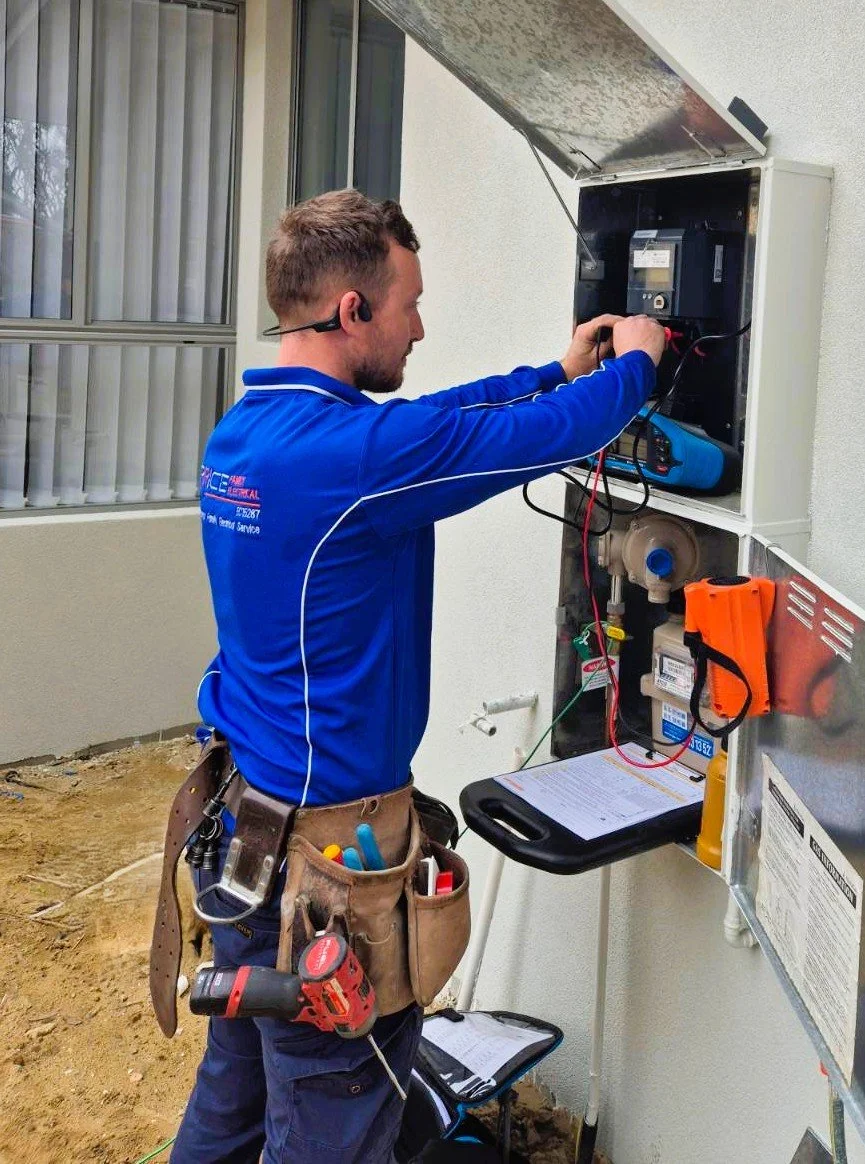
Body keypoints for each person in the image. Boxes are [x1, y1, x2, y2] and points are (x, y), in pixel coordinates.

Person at [171, 189, 665, 1164]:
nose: (422, 326)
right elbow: (539, 439)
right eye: (409, 304)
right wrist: (637, 363)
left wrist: (551, 368)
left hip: (243, 838)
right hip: (320, 871)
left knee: (230, 1107)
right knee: (333, 1130)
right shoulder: (353, 462)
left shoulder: (249, 436)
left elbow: (429, 420)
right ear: (353, 310)